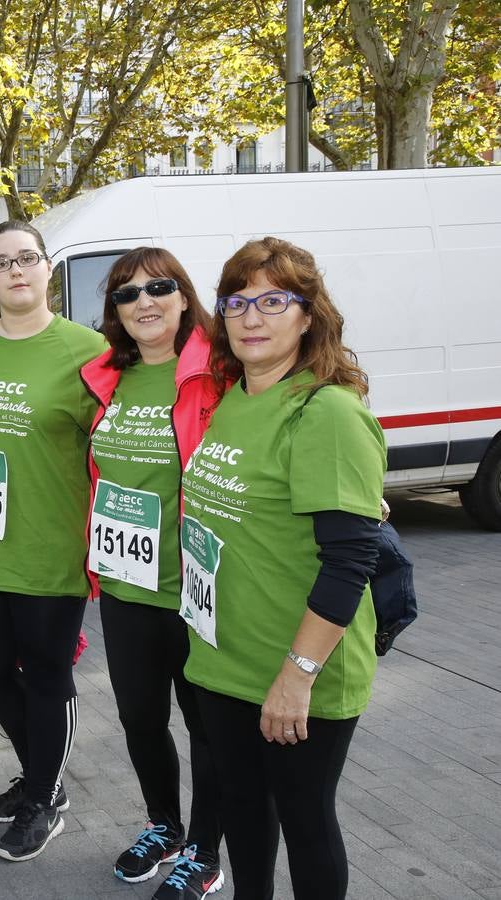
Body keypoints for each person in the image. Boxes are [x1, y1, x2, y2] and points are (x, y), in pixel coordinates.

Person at [181, 237, 385, 899]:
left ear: (308, 314)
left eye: (273, 300)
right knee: (243, 809)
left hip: (297, 673)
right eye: (236, 301)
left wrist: (296, 678)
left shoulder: (325, 411)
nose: (251, 316)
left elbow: (351, 559)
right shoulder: (235, 398)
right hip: (225, 662)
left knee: (304, 820)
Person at [0, 220, 106, 862]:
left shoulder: (87, 350)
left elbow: (120, 443)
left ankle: (43, 795)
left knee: (46, 679)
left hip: (51, 549)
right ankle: (43, 772)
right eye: (2, 261)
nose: (16, 270)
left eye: (27, 258)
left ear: (47, 270)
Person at [80, 248, 225, 898]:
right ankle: (164, 826)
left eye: (158, 287)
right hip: (125, 587)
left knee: (207, 727)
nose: (144, 301)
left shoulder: (221, 374)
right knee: (141, 718)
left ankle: (205, 850)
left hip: (199, 590)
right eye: (127, 293)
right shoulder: (105, 377)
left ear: (184, 295)